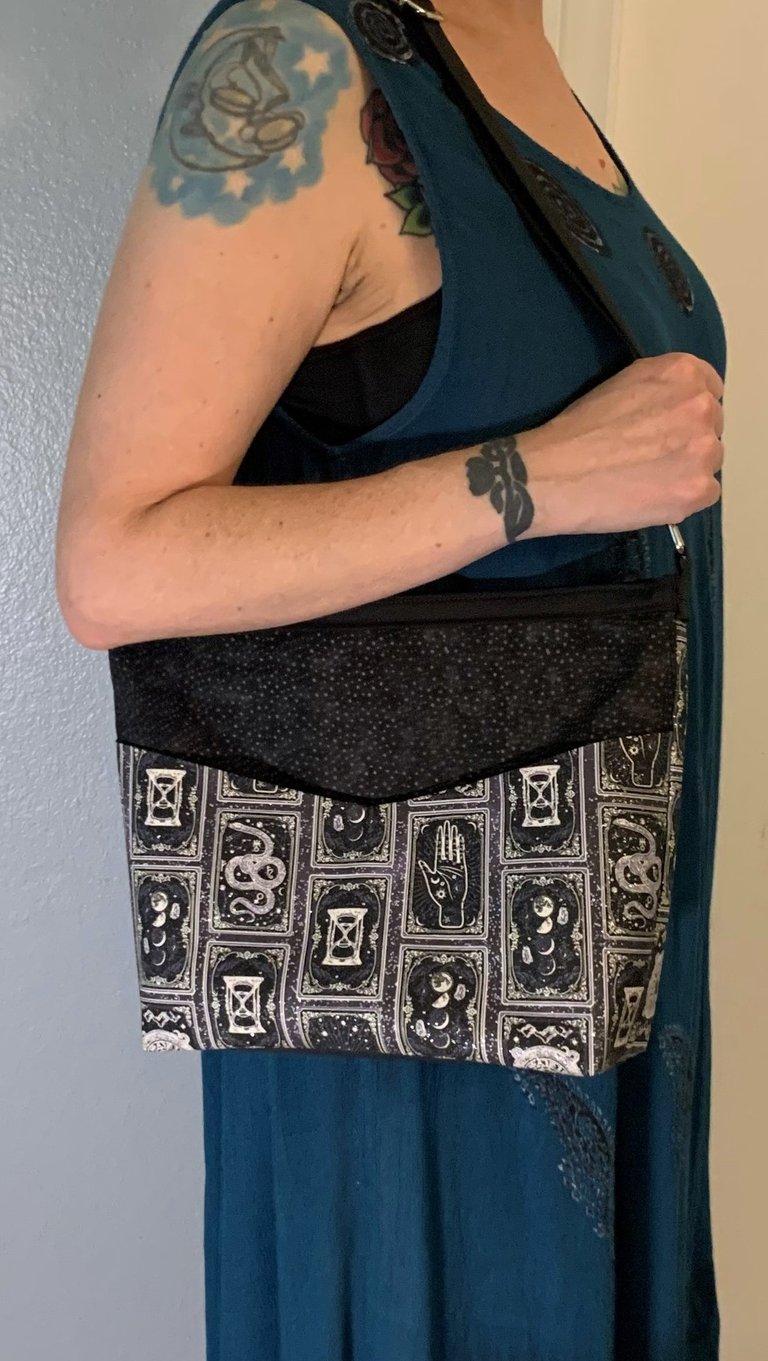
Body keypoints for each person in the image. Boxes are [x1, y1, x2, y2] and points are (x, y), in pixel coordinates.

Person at [55, 0, 726, 1357]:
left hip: (602, 943)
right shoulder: (298, 60)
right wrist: (541, 479)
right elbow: (111, 565)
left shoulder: (519, 44)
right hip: (410, 1035)